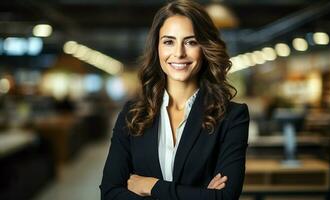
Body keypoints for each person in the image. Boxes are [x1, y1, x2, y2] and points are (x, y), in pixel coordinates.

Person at [100, 0, 249, 199]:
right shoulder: (132, 114)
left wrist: (152, 186)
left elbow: (226, 197)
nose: (179, 53)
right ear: (157, 48)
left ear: (205, 47)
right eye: (169, 41)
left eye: (191, 42)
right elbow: (110, 193)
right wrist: (201, 195)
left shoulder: (232, 117)